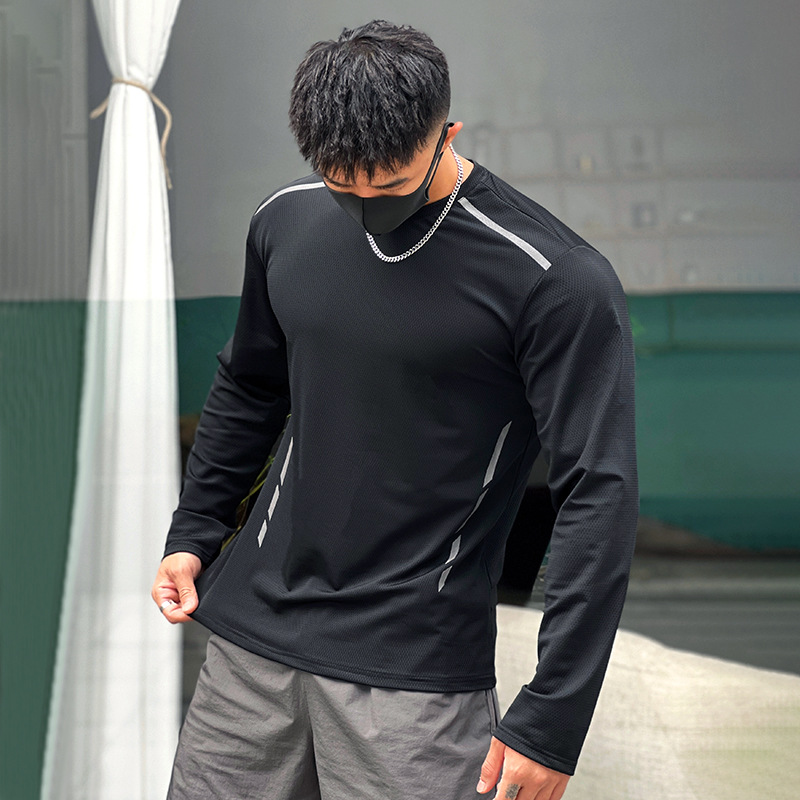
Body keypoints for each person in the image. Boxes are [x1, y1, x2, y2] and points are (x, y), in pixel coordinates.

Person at [152, 19, 638, 800]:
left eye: (392, 185)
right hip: (250, 652)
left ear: (448, 135)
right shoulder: (286, 222)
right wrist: (195, 530)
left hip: (415, 680)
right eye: (344, 186)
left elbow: (598, 495)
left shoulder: (553, 280)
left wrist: (552, 716)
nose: (367, 204)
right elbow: (250, 386)